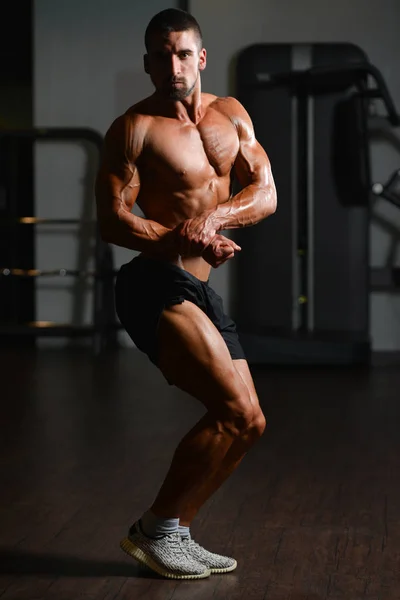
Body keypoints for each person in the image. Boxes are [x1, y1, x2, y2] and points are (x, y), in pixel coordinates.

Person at [95, 7, 277, 581]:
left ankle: (174, 532)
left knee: (251, 423)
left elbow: (265, 191)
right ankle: (155, 528)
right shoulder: (134, 129)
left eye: (183, 54)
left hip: (199, 284)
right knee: (232, 409)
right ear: (147, 63)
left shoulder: (231, 114)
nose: (173, 66)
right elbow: (112, 219)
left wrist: (215, 220)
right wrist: (183, 235)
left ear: (200, 57)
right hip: (154, 284)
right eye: (161, 55)